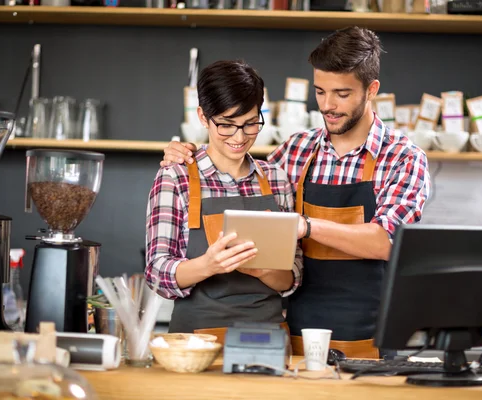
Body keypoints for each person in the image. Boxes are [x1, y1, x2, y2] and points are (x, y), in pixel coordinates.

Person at [160, 26, 430, 357]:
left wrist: (307, 225)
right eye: (320, 91)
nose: (328, 105)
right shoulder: (298, 150)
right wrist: (188, 155)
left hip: (371, 338)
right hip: (299, 336)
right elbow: (236, 169)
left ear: (370, 90)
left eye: (342, 94)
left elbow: (389, 241)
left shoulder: (402, 156)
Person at [145, 60, 303, 337]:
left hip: (269, 338)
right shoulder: (176, 178)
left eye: (251, 124)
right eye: (226, 125)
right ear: (203, 117)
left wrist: (264, 271)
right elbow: (157, 273)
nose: (239, 137)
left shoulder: (276, 180)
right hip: (195, 341)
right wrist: (208, 265)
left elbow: (292, 276)